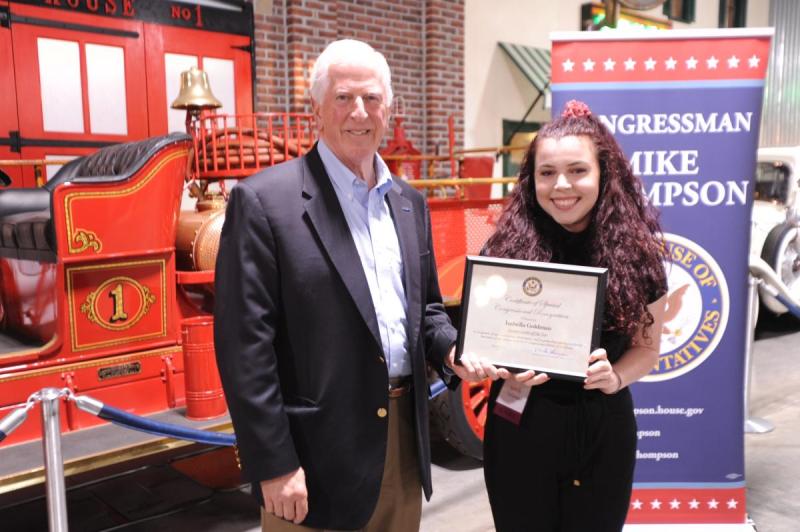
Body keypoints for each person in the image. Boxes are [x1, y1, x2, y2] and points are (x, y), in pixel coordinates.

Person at [213, 39, 483, 532]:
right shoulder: (264, 202)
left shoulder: (408, 202)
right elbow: (243, 349)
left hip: (403, 440)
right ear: (316, 107)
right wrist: (273, 464)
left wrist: (451, 351)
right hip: (315, 456)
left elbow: (426, 310)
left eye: (372, 98)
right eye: (343, 97)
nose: (359, 112)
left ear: (389, 107)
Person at [479, 100, 668, 532]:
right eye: (547, 173)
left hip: (602, 429)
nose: (561, 185)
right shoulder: (503, 251)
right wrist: (484, 361)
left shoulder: (639, 257)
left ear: (604, 174)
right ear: (532, 180)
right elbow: (479, 340)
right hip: (518, 423)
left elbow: (647, 348)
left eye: (578, 170)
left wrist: (616, 376)